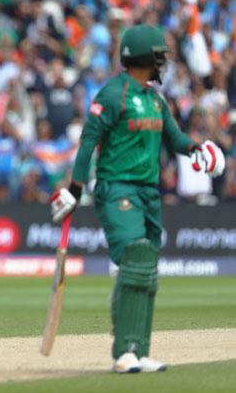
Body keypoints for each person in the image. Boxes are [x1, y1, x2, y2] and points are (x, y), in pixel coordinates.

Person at [51, 25, 225, 373]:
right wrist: (75, 188)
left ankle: (138, 350)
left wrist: (198, 148)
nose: (163, 63)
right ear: (143, 56)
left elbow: (174, 139)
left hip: (149, 193)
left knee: (145, 268)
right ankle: (125, 353)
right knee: (134, 256)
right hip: (117, 189)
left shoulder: (156, 100)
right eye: (159, 56)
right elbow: (87, 142)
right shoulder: (113, 94)